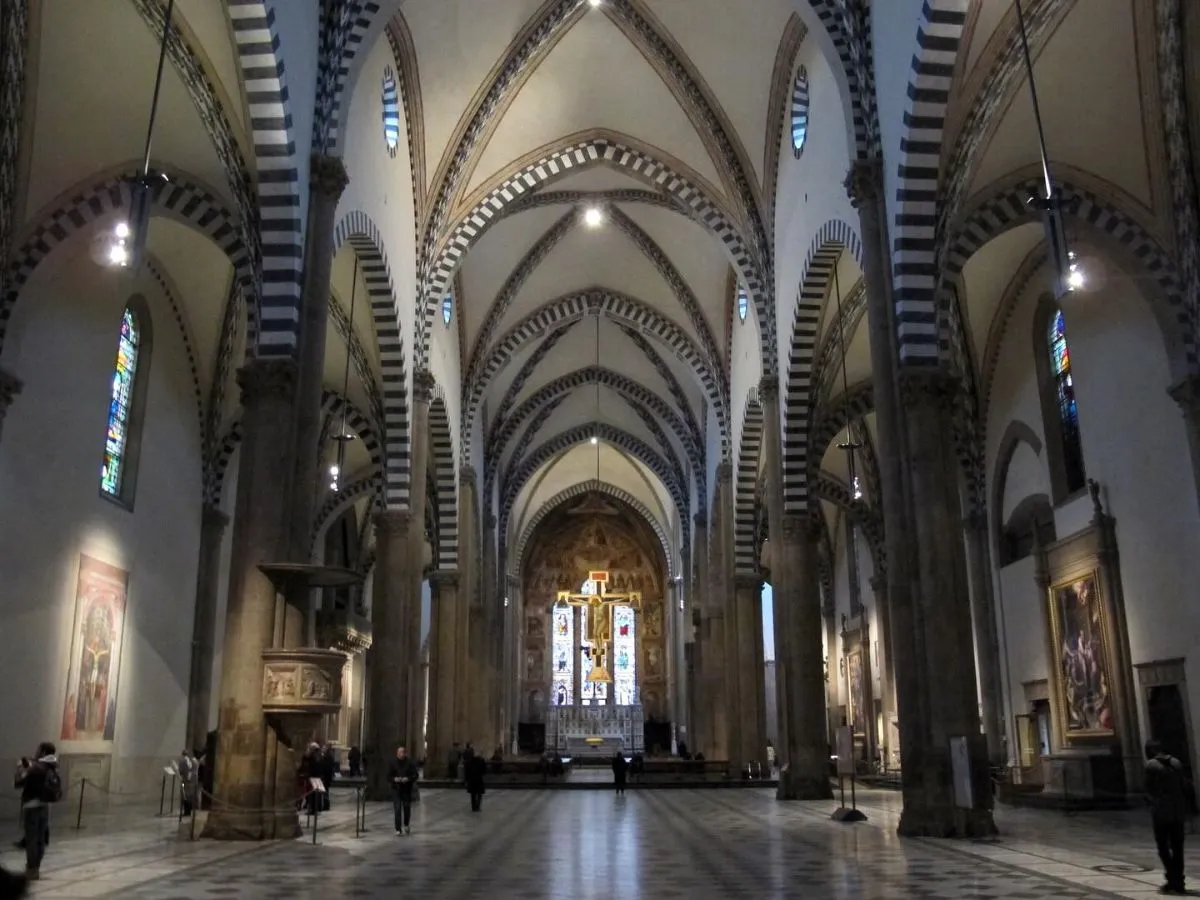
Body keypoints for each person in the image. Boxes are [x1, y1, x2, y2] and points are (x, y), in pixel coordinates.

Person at [1145, 740, 1191, 894]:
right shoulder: (1176, 762)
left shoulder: (1151, 765)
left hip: (1161, 811)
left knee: (1163, 847)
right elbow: (1184, 785)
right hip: (1178, 811)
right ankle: (1179, 880)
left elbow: (1148, 788)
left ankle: (1172, 878)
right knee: (1178, 847)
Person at [13, 742, 59, 881]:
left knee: (31, 839)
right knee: (40, 839)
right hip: (45, 807)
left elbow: (19, 782)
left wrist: (21, 767)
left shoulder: (36, 767)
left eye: (39, 749)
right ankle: (36, 868)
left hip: (31, 806)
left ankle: (32, 869)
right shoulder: (52, 766)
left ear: (43, 752)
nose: (36, 751)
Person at [388, 746, 419, 835]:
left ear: (405, 753)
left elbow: (415, 775)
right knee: (397, 809)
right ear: (397, 753)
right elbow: (388, 776)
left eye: (402, 752)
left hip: (406, 789)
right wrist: (395, 779)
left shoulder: (409, 763)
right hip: (396, 789)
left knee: (406, 808)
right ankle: (398, 829)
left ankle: (406, 824)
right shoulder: (393, 763)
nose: (401, 754)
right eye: (399, 752)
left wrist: (408, 779)